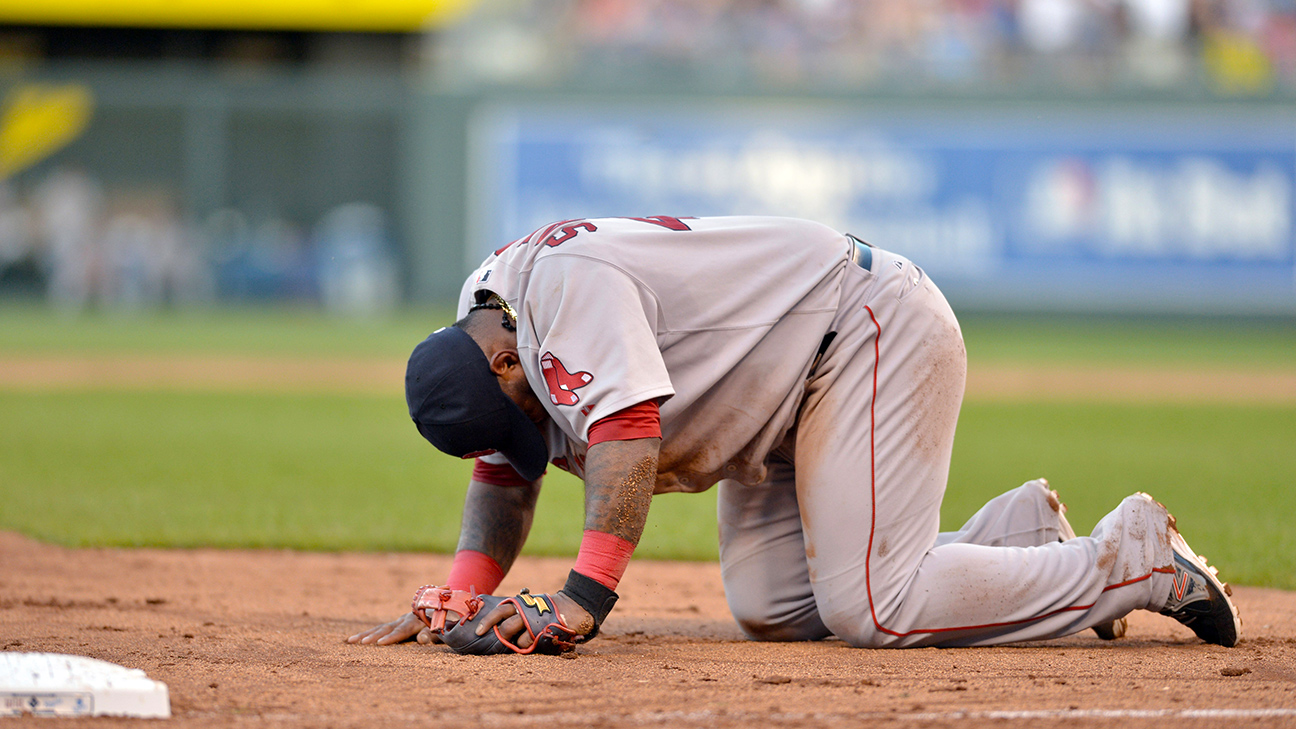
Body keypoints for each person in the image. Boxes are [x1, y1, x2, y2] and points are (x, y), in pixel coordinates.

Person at [347, 215, 1240, 651]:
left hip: (858, 327)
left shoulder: (558, 289)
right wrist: (466, 590)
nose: (529, 432)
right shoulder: (495, 321)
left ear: (504, 364)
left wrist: (584, 598)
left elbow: (627, 431)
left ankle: (1132, 561)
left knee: (873, 609)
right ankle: (1017, 539)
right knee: (778, 608)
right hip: (776, 395)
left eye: (519, 409)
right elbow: (507, 470)